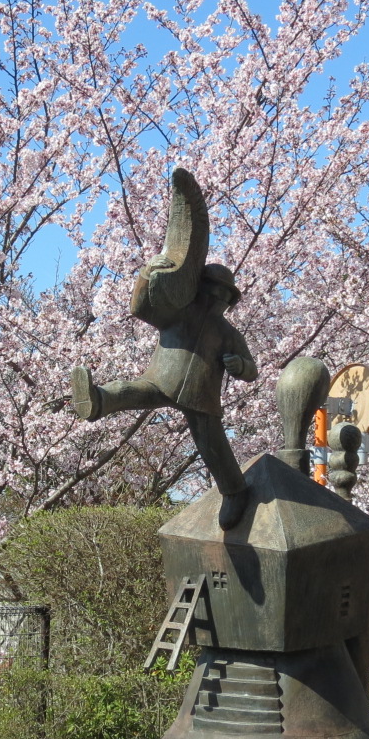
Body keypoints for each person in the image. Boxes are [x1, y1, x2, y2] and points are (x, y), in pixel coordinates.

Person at [71, 168, 258, 529]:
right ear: (199, 287)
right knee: (129, 391)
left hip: (202, 397)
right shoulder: (179, 312)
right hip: (161, 378)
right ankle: (97, 400)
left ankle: (233, 491)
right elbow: (140, 308)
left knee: (213, 449)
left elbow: (251, 369)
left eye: (223, 295)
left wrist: (239, 366)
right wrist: (146, 275)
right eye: (213, 290)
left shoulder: (227, 331)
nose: (217, 298)